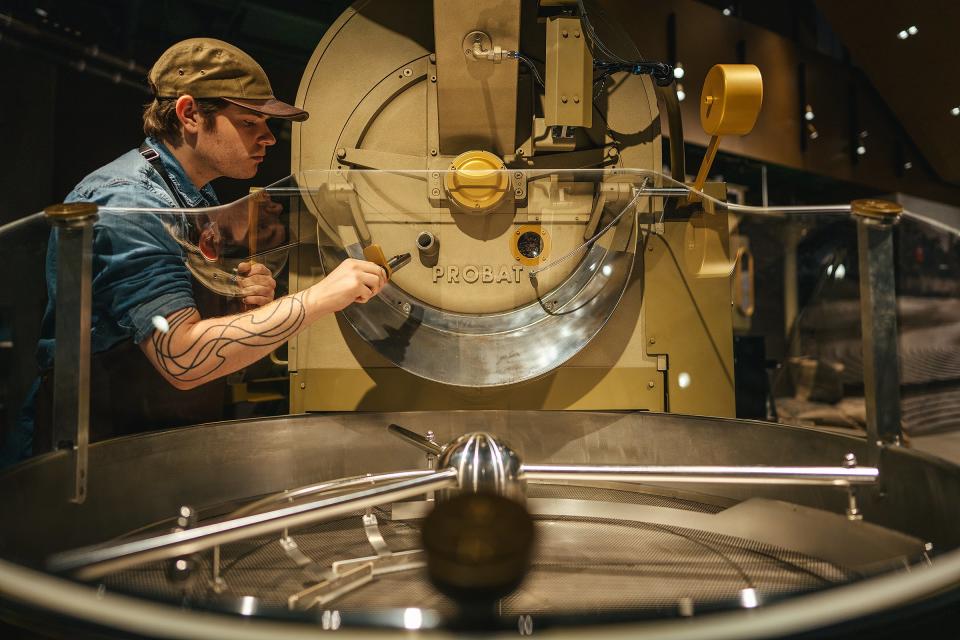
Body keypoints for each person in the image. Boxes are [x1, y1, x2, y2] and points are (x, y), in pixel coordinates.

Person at [0, 38, 386, 466]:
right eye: (248, 121)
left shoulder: (193, 199)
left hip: (151, 448)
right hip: (86, 461)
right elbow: (182, 357)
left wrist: (237, 304)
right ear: (189, 114)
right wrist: (320, 297)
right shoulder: (128, 204)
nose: (268, 139)